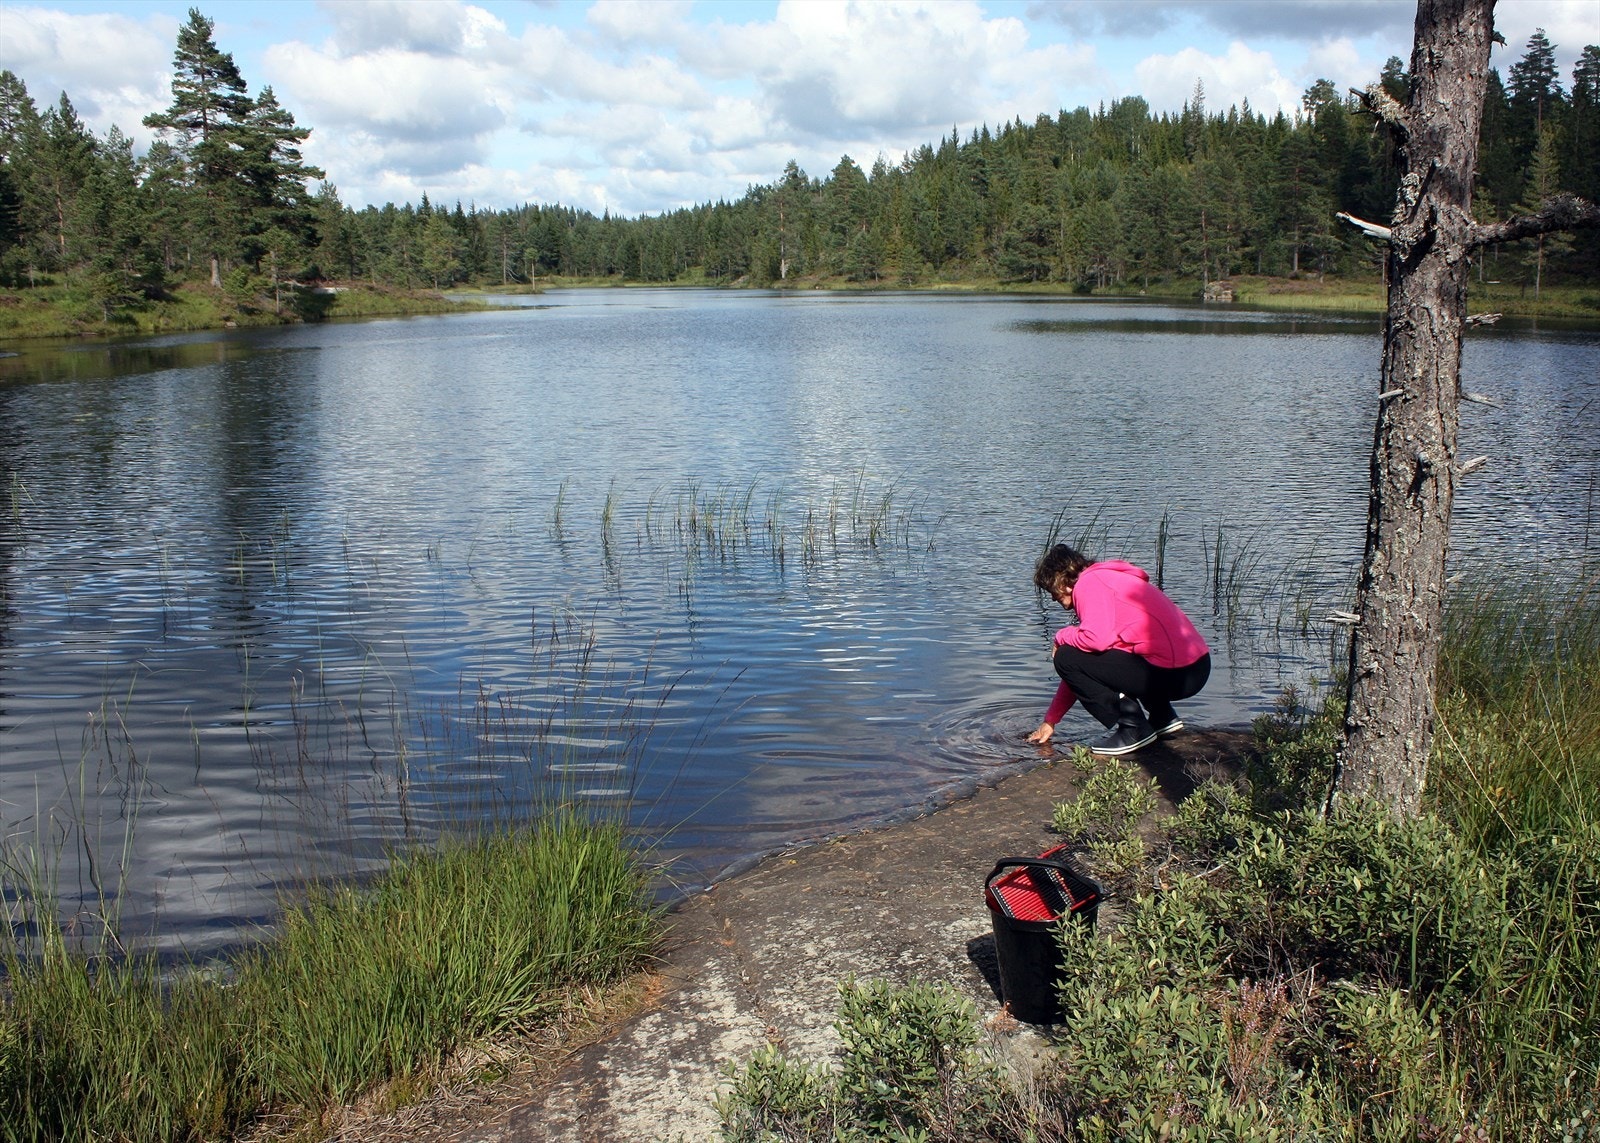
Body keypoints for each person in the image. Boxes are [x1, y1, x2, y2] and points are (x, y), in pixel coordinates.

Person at [1027, 543, 1210, 756]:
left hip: (1177, 675)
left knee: (1066, 656)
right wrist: (1051, 720)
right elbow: (1092, 662)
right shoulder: (1111, 581)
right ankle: (1162, 717)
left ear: (1061, 578)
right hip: (1196, 669)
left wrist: (1061, 636)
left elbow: (1092, 644)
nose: (1052, 597)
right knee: (1113, 653)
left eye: (1051, 588)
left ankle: (1134, 730)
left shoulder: (1090, 584)